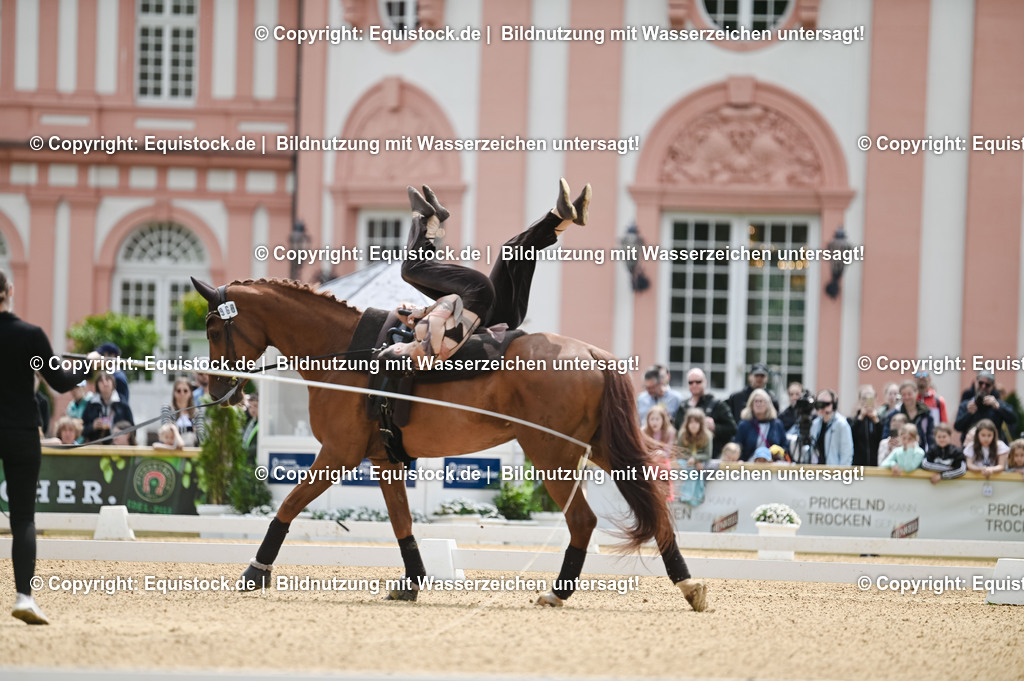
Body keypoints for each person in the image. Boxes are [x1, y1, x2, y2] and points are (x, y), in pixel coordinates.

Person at [380, 178, 590, 364]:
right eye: (395, 347)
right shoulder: (426, 343)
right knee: (410, 269)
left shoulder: (427, 352)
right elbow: (451, 301)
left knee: (512, 253)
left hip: (502, 317)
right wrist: (425, 312)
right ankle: (424, 218)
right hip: (477, 293)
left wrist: (417, 316)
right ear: (397, 351)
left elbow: (439, 320)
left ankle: (562, 217)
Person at [0, 268, 100, 624]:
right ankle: (24, 598)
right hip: (21, 432)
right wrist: (88, 366)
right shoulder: (30, 336)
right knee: (23, 518)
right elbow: (59, 382)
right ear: (10, 290)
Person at [675, 367, 735, 458]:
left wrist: (715, 427)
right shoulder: (683, 406)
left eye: (698, 382)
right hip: (687, 458)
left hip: (711, 457)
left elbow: (732, 429)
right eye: (691, 382)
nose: (694, 385)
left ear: (705, 382)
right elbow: (677, 428)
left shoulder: (718, 405)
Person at [954, 371, 1017, 443]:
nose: (983, 387)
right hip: (971, 446)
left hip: (993, 446)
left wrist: (999, 407)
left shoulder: (997, 404)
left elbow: (1013, 419)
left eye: (987, 385)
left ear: (992, 386)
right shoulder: (966, 404)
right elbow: (957, 427)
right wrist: (968, 414)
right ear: (976, 382)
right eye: (981, 383)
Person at [733, 389, 786, 461]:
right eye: (756, 401)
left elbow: (785, 446)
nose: (758, 404)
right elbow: (737, 446)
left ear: (768, 404)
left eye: (761, 401)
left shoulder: (777, 424)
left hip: (772, 464)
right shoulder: (744, 425)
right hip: (749, 464)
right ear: (751, 404)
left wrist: (779, 452)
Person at [81, 372, 135, 443]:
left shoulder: (122, 403)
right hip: (96, 445)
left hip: (118, 445)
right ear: (97, 385)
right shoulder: (91, 404)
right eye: (101, 381)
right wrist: (92, 426)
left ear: (113, 383)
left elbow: (132, 427)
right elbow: (82, 429)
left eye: (107, 379)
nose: (105, 383)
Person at [883, 380, 934, 451]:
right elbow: (885, 436)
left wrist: (929, 454)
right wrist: (892, 441)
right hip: (899, 453)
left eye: (909, 394)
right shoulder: (893, 414)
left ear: (916, 393)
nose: (907, 397)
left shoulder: (925, 413)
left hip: (920, 453)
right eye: (904, 395)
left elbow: (931, 438)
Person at [806, 389, 853, 465]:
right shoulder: (815, 424)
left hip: (834, 470)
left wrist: (842, 472)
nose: (822, 407)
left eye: (826, 404)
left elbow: (846, 455)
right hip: (816, 470)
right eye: (819, 404)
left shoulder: (842, 425)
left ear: (834, 405)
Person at [161, 377, 205, 446]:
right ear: (174, 393)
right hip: (172, 450)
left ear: (190, 393)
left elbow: (201, 437)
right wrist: (191, 430)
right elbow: (165, 433)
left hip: (191, 450)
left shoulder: (197, 412)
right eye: (178, 391)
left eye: (185, 391)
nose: (182, 393)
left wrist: (175, 430)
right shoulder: (167, 409)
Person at [850, 385, 883, 466]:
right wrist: (860, 418)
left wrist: (876, 421)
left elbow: (883, 438)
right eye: (864, 398)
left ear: (875, 399)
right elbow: (849, 437)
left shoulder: (881, 419)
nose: (867, 401)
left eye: (870, 398)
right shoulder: (853, 420)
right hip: (858, 466)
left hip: (876, 466)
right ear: (860, 400)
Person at [242, 391, 260, 465]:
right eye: (250, 407)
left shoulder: (265, 424)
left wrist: (245, 451)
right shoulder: (251, 421)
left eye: (255, 406)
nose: (252, 409)